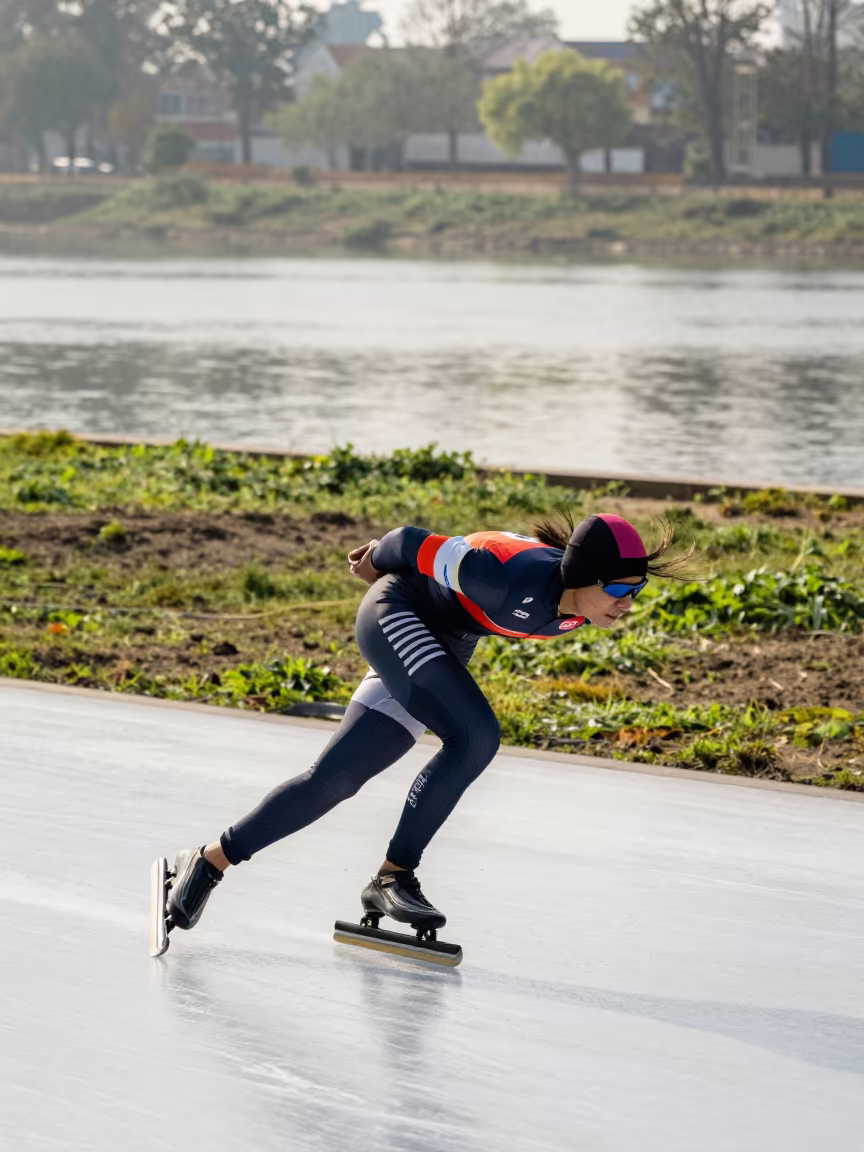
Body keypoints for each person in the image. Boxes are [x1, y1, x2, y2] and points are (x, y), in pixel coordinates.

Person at [162, 510, 689, 939]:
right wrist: (374, 562)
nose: (627, 606)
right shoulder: (499, 576)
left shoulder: (577, 607)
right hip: (398, 611)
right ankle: (396, 877)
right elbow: (408, 540)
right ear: (583, 577)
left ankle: (207, 861)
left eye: (636, 592)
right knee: (476, 736)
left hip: (445, 639)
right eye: (621, 592)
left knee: (337, 779)